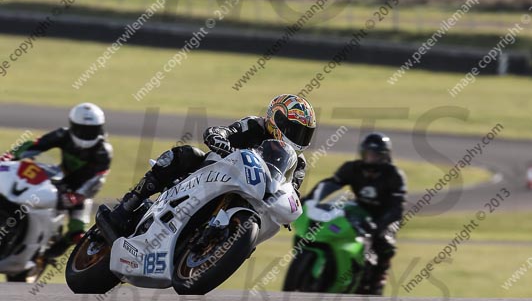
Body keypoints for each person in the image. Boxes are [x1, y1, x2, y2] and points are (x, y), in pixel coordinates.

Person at [105, 94, 316, 235]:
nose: (296, 137)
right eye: (292, 129)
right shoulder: (254, 125)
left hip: (252, 196)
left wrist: (289, 208)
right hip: (214, 173)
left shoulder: (297, 163)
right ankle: (128, 205)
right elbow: (224, 132)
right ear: (275, 119)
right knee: (184, 155)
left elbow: (292, 190)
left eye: (303, 133)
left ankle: (228, 243)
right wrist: (219, 139)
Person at [3, 103, 112, 256]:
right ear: (73, 126)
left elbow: (97, 179)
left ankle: (51, 253)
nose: (86, 134)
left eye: (91, 130)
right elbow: (36, 145)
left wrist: (78, 196)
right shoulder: (63, 135)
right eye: (82, 129)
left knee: (78, 232)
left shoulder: (103, 151)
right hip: (58, 179)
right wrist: (12, 156)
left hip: (79, 192)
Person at [306, 132, 407, 295]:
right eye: (368, 154)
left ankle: (377, 279)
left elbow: (397, 207)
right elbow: (332, 183)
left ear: (385, 156)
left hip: (385, 214)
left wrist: (379, 226)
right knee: (336, 219)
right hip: (360, 208)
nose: (370, 159)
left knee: (384, 242)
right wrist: (311, 198)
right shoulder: (352, 168)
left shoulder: (394, 175)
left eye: (375, 155)